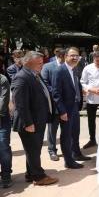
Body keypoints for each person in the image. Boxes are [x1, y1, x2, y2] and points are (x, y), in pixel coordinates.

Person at [11, 51, 58, 185]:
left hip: (37, 120)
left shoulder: (34, 74)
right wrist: (28, 123)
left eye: (42, 63)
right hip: (30, 122)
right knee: (33, 149)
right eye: (38, 63)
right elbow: (20, 103)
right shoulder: (22, 77)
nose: (41, 65)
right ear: (27, 62)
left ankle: (30, 174)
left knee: (33, 149)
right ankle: (38, 177)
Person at [52, 47, 91, 169]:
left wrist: (80, 91)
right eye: (72, 55)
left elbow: (74, 85)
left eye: (77, 56)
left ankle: (76, 154)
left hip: (75, 106)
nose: (75, 58)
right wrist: (62, 111)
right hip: (66, 109)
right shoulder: (59, 71)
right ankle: (68, 161)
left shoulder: (74, 70)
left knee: (75, 132)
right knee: (66, 135)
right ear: (65, 57)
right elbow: (56, 93)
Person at [80, 51, 99, 149]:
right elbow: (83, 82)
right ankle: (92, 139)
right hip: (91, 98)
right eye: (97, 60)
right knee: (91, 120)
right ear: (93, 59)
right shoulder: (87, 68)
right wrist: (91, 89)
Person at [41, 49, 66, 161]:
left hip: (66, 103)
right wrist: (57, 92)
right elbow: (44, 83)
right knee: (52, 129)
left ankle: (66, 150)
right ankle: (52, 150)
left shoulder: (69, 67)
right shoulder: (48, 66)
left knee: (66, 129)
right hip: (53, 103)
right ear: (61, 56)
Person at [0, 74, 12, 188]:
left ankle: (6, 173)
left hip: (2, 119)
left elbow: (3, 100)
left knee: (3, 146)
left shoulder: (2, 79)